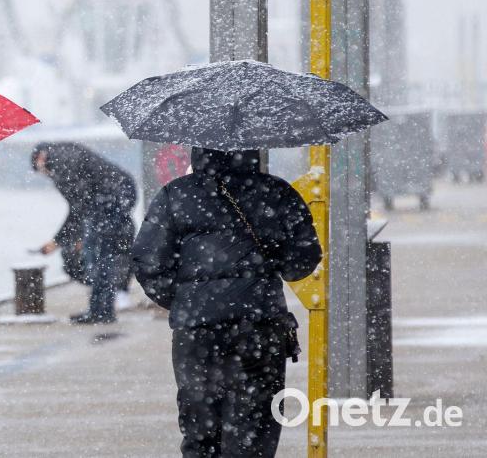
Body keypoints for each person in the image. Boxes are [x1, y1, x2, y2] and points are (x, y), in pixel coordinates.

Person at [132, 148, 321, 458]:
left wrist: (188, 301)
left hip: (198, 331)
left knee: (200, 426)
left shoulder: (175, 195)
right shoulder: (277, 192)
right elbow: (302, 262)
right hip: (260, 325)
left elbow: (148, 262)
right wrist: (267, 263)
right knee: (256, 425)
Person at [31, 142, 137, 324]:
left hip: (110, 199)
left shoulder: (61, 164)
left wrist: (60, 240)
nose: (45, 175)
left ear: (40, 158)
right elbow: (80, 205)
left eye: (40, 170)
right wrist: (61, 239)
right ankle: (101, 309)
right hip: (118, 194)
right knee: (102, 254)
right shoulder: (64, 153)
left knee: (99, 255)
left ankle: (101, 311)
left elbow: (79, 206)